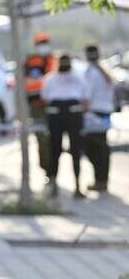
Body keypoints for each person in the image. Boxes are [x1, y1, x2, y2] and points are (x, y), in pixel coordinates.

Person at [41, 54, 89, 198]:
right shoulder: (50, 78)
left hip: (73, 113)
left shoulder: (79, 77)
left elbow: (85, 99)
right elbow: (45, 98)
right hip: (57, 114)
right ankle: (53, 183)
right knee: (55, 149)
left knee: (75, 150)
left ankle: (77, 186)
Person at [83, 44, 115, 192]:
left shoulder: (92, 72)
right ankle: (101, 180)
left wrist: (84, 111)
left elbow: (87, 95)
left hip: (94, 113)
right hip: (105, 112)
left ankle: (100, 180)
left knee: (93, 147)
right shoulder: (105, 69)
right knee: (101, 147)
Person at [25, 32, 57, 178]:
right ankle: (47, 170)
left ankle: (53, 171)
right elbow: (24, 81)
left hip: (52, 105)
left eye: (45, 42)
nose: (43, 46)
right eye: (40, 43)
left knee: (53, 139)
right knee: (41, 138)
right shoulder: (31, 61)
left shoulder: (54, 60)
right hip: (36, 106)